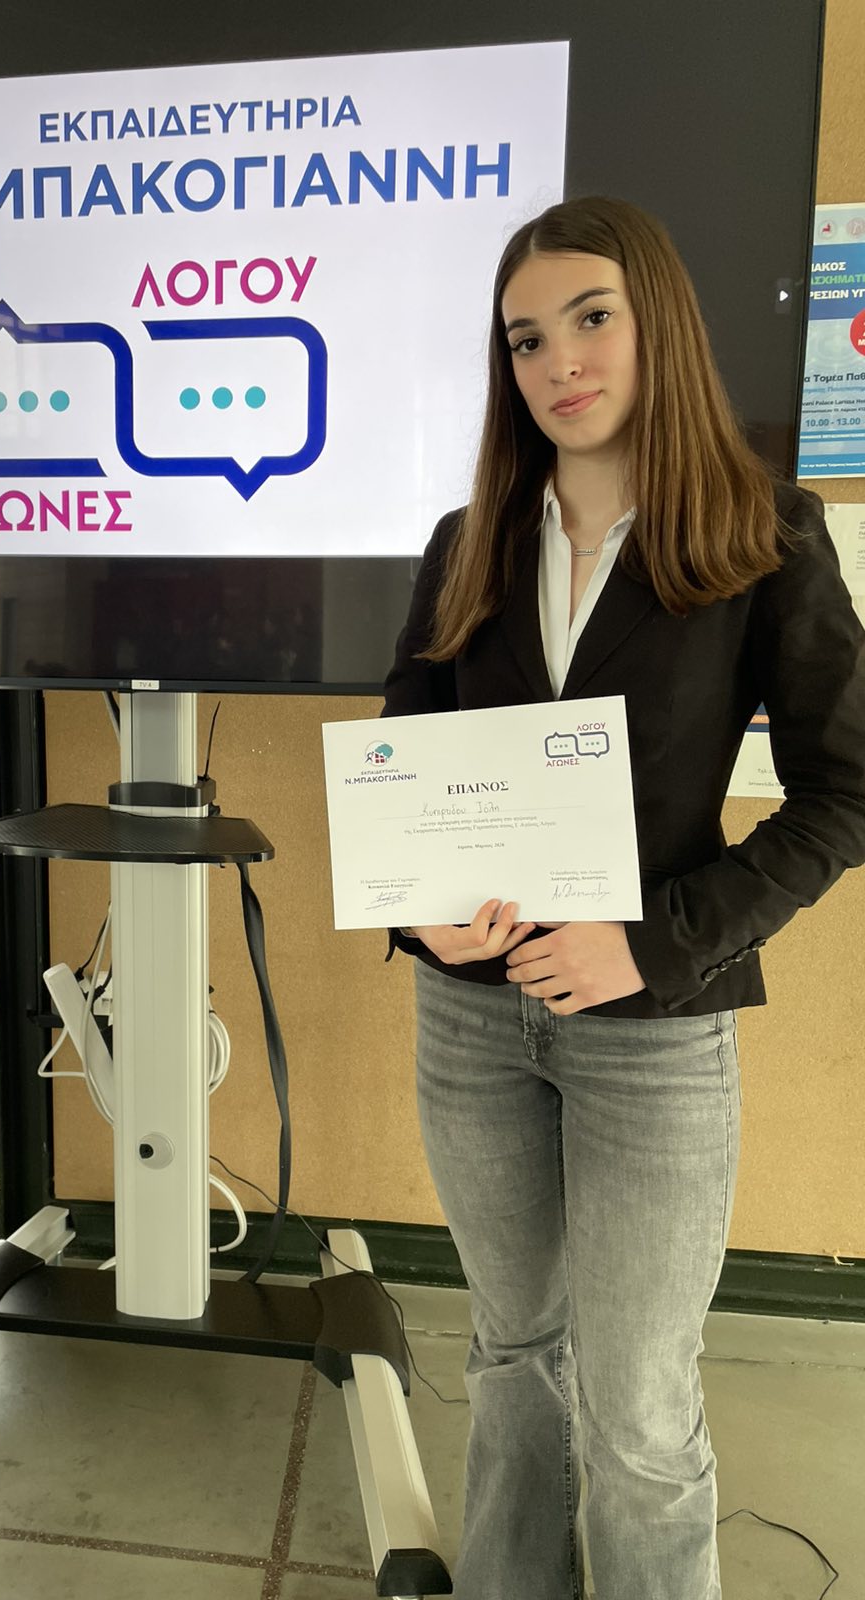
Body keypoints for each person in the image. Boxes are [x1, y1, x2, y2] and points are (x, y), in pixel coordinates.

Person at [381, 195, 865, 1600]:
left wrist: (653, 943)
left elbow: (845, 794)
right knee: (512, 1354)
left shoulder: (762, 533)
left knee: (641, 1406)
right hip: (471, 1021)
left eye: (591, 318)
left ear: (659, 322)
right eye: (526, 338)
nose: (559, 360)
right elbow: (406, 752)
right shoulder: (467, 541)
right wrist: (415, 909)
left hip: (654, 1030)